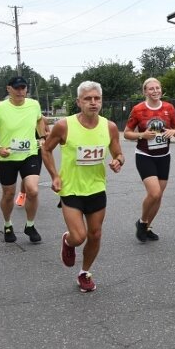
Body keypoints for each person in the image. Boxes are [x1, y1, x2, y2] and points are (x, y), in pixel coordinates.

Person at [41, 81, 124, 293]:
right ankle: (68, 242)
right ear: (79, 102)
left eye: (97, 98)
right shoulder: (64, 126)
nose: (93, 102)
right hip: (71, 188)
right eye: (88, 99)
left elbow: (118, 153)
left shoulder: (110, 127)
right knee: (79, 236)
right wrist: (54, 176)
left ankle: (84, 273)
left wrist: (118, 162)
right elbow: (46, 150)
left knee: (95, 234)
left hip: (96, 188)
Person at [0, 77, 48, 243]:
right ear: (8, 89)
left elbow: (39, 119)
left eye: (23, 88)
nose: (20, 91)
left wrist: (43, 136)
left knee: (33, 190)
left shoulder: (33, 104)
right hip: (7, 157)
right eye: (16, 88)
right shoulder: (0, 108)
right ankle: (7, 224)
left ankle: (30, 225)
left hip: (30, 154)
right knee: (8, 194)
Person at [123, 77, 175, 242]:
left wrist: (173, 132)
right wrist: (142, 134)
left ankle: (147, 226)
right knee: (154, 192)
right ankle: (142, 222)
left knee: (159, 196)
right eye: (151, 89)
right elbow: (127, 133)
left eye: (158, 88)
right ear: (145, 92)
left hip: (164, 156)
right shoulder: (138, 109)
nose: (155, 91)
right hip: (145, 156)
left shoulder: (169, 108)